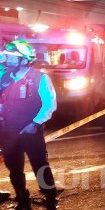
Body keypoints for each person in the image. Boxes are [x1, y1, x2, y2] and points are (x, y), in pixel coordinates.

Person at [0, 40, 58, 210]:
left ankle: (50, 196)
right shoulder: (4, 78)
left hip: (31, 131)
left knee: (40, 165)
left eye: (12, 58)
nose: (6, 61)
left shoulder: (40, 78)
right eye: (6, 57)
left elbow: (50, 104)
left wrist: (34, 123)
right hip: (9, 133)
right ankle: (22, 198)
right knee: (14, 168)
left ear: (24, 60)